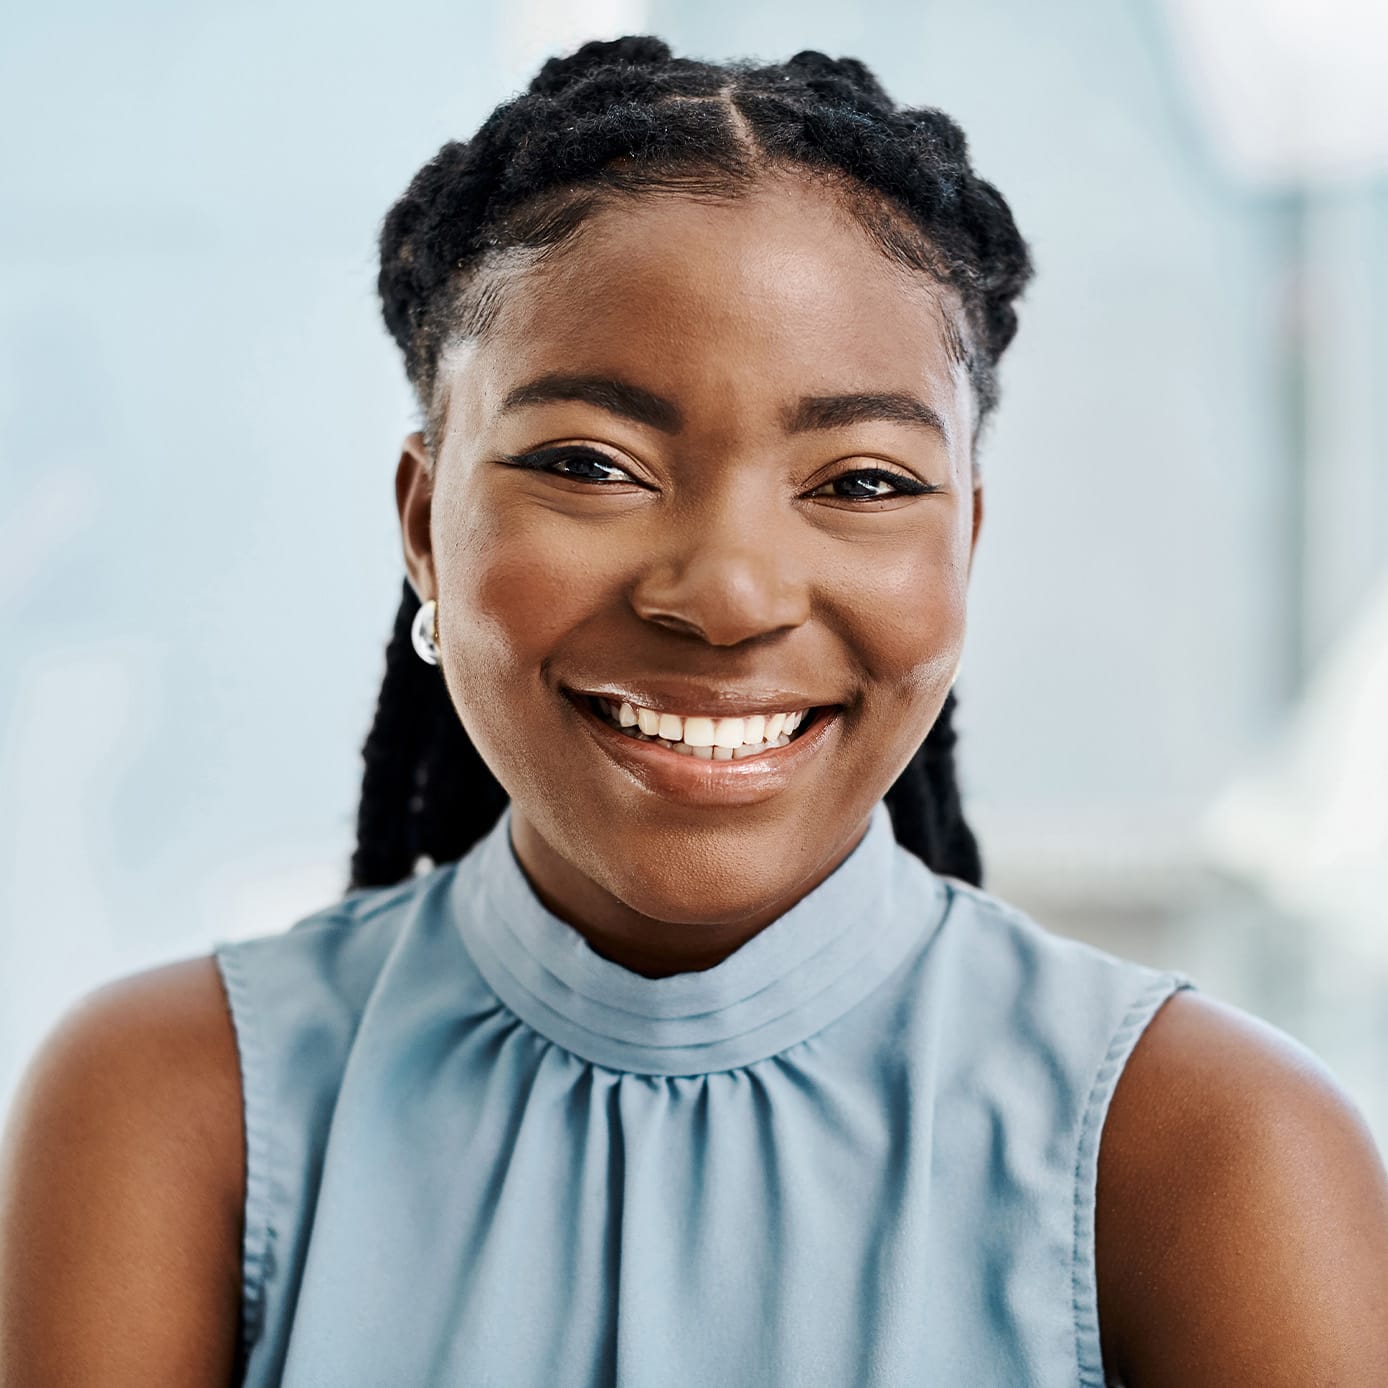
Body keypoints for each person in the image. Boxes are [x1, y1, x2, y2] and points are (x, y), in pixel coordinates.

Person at [2, 35, 1386, 1388]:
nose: (726, 597)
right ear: (426, 524)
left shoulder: (1205, 1150)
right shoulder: (180, 1113)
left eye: (860, 482)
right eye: (593, 462)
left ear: (964, 543)